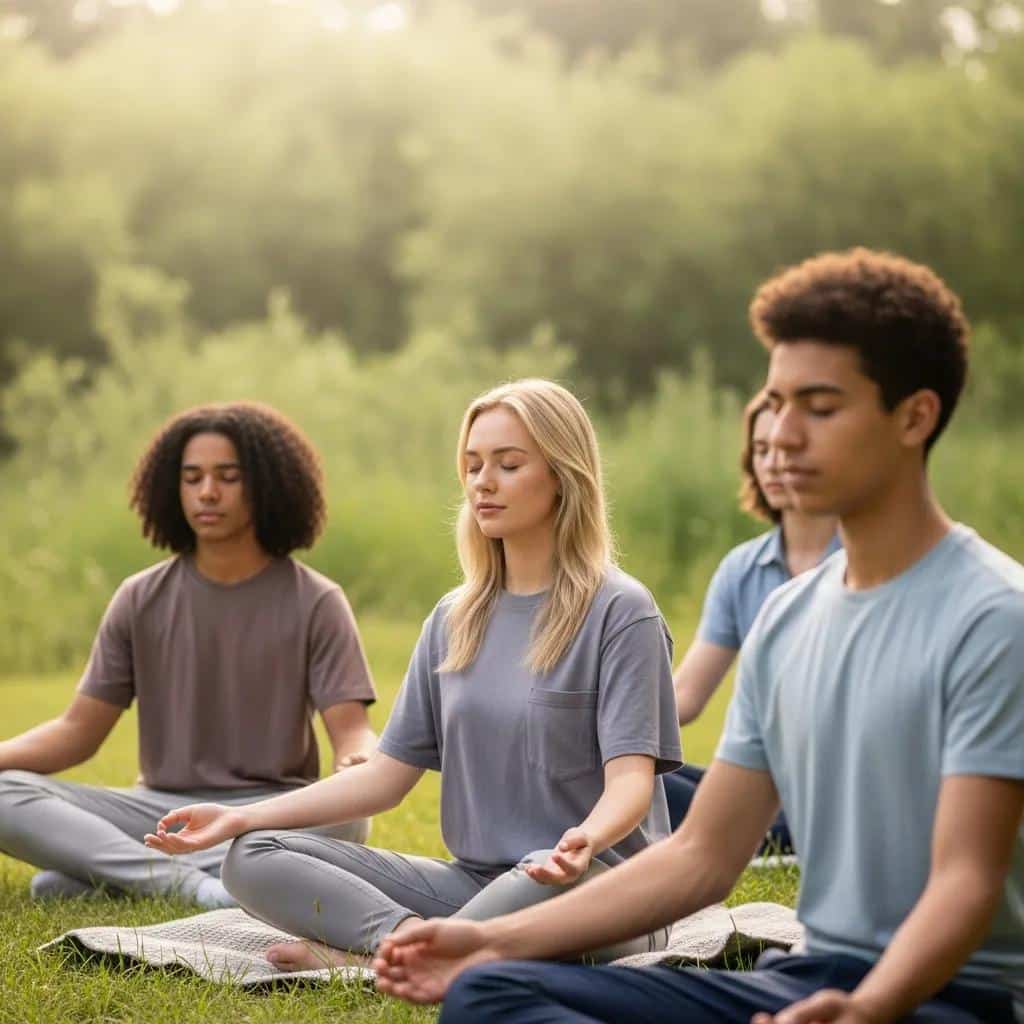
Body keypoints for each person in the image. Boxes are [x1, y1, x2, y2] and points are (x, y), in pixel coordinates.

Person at [374, 248, 1024, 1024]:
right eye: (775, 402)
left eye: (819, 407)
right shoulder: (789, 616)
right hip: (809, 974)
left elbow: (967, 881)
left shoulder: (992, 617)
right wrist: (493, 940)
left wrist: (869, 1010)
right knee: (491, 989)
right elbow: (701, 856)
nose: (780, 434)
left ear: (915, 416)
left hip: (946, 998)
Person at [144, 378, 682, 971]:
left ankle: (380, 959)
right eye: (473, 465)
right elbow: (383, 779)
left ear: (562, 476)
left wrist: (586, 840)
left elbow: (631, 783)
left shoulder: (622, 612)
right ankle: (410, 949)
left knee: (532, 879)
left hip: (593, 887)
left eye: (508, 464)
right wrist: (242, 817)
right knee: (252, 856)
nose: (483, 481)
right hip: (472, 885)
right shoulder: (455, 618)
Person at [0, 402, 377, 909]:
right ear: (170, 488)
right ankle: (198, 885)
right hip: (159, 813)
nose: (207, 493)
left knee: (350, 817)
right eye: (192, 477)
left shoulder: (317, 600)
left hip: (269, 811)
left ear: (265, 486)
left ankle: (111, 871)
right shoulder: (139, 598)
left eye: (228, 477)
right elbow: (76, 734)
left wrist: (359, 759)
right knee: (6, 794)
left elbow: (350, 731)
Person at [664, 392, 839, 844]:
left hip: (839, 793)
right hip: (759, 793)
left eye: (786, 450)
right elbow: (685, 696)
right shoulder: (742, 570)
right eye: (761, 451)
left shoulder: (868, 560)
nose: (774, 463)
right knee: (640, 780)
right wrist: (596, 724)